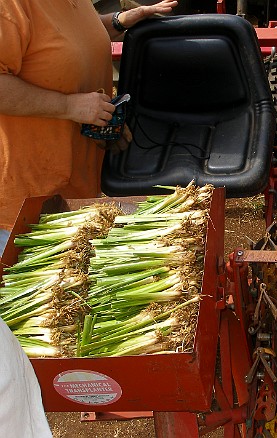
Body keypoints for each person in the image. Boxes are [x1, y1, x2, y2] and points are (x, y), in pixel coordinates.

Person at [0, 1, 177, 436]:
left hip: (69, 193)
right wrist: (69, 107)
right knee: (17, 339)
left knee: (68, 311)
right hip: (18, 197)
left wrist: (117, 23)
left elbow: (64, 37)